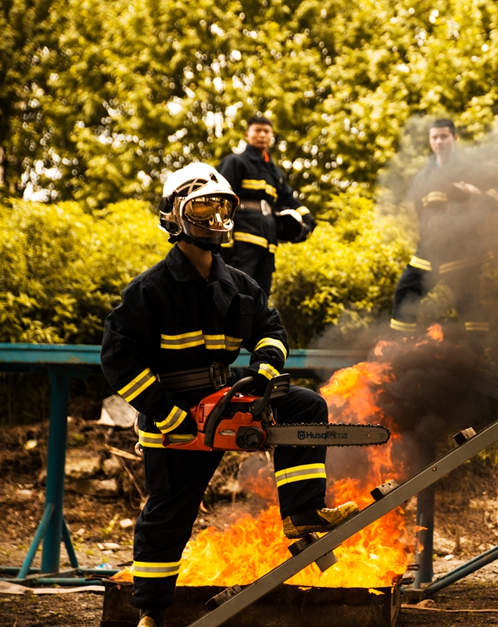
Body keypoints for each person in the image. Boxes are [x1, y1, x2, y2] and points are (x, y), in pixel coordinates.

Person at [100, 162, 357, 627]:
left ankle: (302, 517)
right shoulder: (150, 291)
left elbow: (272, 331)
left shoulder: (238, 284)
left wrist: (261, 375)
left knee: (305, 405)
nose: (214, 216)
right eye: (202, 207)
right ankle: (151, 612)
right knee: (168, 515)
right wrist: (163, 411)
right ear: (175, 216)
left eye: (221, 206)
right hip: (174, 418)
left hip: (226, 400)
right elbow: (119, 359)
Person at [389, 118, 498, 346]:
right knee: (405, 292)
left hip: (463, 250)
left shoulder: (472, 168)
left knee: (470, 306)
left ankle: (475, 358)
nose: (439, 141)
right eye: (435, 137)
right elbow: (419, 212)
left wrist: (474, 193)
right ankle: (397, 351)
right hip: (429, 250)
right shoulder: (423, 175)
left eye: (444, 136)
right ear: (430, 141)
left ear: (455, 138)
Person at [217, 115, 315, 295]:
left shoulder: (274, 172)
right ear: (247, 134)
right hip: (240, 243)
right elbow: (220, 199)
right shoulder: (235, 162)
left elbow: (288, 198)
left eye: (266, 131)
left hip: (268, 244)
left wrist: (307, 218)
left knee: (260, 298)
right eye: (257, 130)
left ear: (272, 136)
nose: (262, 134)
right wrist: (224, 240)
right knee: (235, 293)